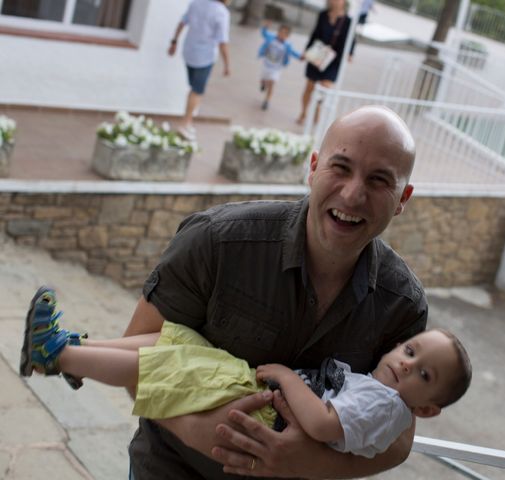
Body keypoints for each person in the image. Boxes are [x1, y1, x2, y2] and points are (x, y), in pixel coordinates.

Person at [90, 104, 425, 479]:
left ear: (403, 199)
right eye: (341, 168)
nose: (352, 194)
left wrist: (308, 463)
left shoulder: (403, 305)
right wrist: (195, 430)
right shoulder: (216, 241)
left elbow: (399, 437)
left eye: (379, 180)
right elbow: (138, 359)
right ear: (313, 168)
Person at [20, 288, 471, 460]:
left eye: (424, 375)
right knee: (177, 342)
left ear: (426, 408)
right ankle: (71, 349)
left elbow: (320, 424)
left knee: (175, 362)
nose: (408, 363)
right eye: (410, 350)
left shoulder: (387, 404)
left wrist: (287, 378)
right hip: (266, 401)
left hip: (266, 416)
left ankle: (57, 354)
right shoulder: (383, 397)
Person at [168, 0, 231, 141]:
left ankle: (188, 121)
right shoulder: (221, 12)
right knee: (197, 91)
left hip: (189, 52)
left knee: (193, 88)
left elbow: (182, 23)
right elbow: (223, 41)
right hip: (204, 57)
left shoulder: (196, 3)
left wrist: (174, 41)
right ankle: (186, 123)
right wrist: (227, 64)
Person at [296, 0, 355, 126]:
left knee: (325, 88)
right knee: (309, 87)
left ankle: (317, 111)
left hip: (334, 60)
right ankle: (303, 112)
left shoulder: (348, 21)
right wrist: (306, 52)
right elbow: (315, 35)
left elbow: (352, 40)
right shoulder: (323, 15)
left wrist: (350, 54)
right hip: (318, 55)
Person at [258, 22, 302, 111]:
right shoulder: (271, 38)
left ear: (287, 36)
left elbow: (293, 52)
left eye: (285, 33)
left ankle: (267, 100)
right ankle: (263, 83)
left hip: (276, 68)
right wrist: (265, 27)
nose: (282, 35)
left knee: (271, 83)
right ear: (278, 32)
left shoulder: (287, 45)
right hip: (267, 64)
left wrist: (300, 56)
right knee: (264, 79)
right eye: (281, 32)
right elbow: (264, 34)